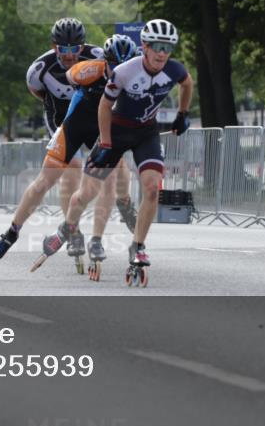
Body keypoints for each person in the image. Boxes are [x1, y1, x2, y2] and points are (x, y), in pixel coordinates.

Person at [40, 19, 192, 286]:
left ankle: (138, 246)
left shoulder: (174, 69)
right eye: (156, 47)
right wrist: (107, 142)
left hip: (146, 133)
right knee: (87, 194)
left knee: (152, 188)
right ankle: (67, 226)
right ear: (144, 46)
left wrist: (182, 114)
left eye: (167, 48)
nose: (161, 53)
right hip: (116, 133)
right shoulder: (124, 71)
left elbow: (187, 84)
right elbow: (103, 107)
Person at [0, 34, 138, 278]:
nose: (119, 71)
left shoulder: (132, 78)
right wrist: (80, 75)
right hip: (71, 125)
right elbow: (70, 76)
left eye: (124, 67)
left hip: (100, 127)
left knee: (114, 174)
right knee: (47, 179)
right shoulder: (89, 67)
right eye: (114, 66)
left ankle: (110, 221)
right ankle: (11, 233)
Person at [25, 18, 105, 215]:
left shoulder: (99, 57)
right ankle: (72, 230)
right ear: (54, 47)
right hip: (60, 119)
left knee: (107, 169)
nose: (69, 55)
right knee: (73, 168)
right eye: (63, 49)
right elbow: (36, 91)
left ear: (83, 46)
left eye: (74, 49)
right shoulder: (39, 69)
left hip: (91, 117)